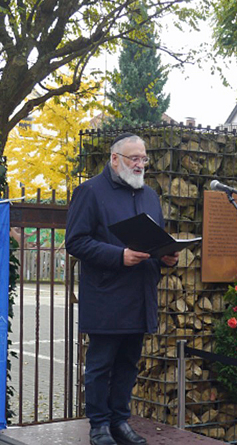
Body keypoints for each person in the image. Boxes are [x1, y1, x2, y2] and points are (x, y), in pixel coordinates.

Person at [66, 133, 178, 445]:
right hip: (105, 295)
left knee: (129, 363)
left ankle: (119, 421)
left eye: (144, 158)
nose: (141, 164)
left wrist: (167, 257)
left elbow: (155, 242)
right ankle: (99, 425)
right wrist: (119, 256)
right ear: (115, 159)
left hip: (139, 294)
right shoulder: (89, 192)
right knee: (101, 365)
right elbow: (75, 241)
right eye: (134, 159)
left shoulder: (149, 196)